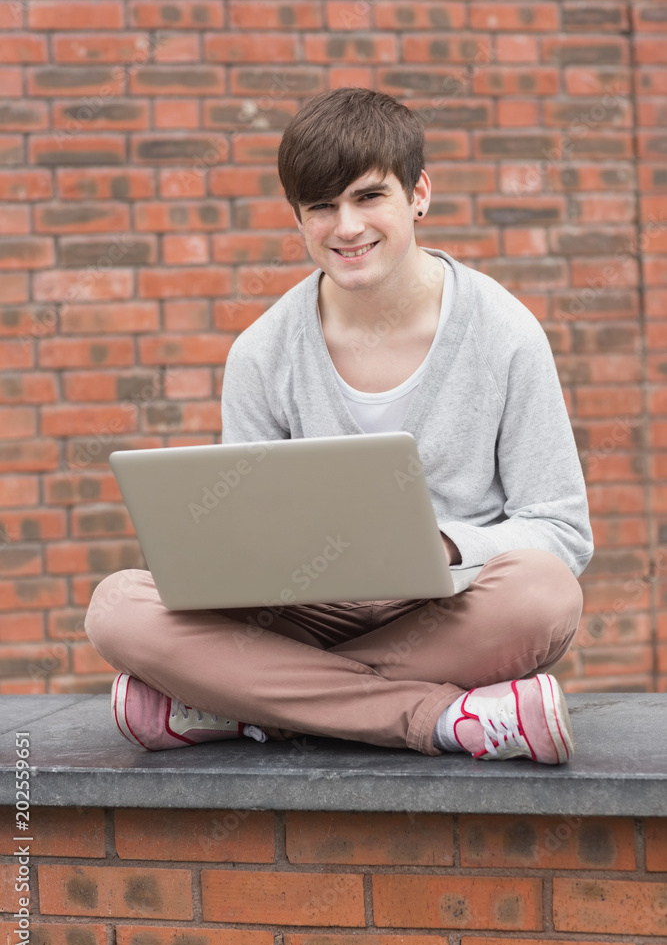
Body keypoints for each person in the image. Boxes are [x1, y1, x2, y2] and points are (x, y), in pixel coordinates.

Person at [86, 88, 593, 763]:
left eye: (367, 197)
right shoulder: (262, 353)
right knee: (117, 606)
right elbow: (241, 546)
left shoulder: (504, 334)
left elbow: (560, 529)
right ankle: (441, 718)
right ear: (298, 220)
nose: (346, 227)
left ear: (417, 194)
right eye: (321, 207)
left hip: (450, 609)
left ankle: (235, 705)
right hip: (305, 614)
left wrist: (443, 544)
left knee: (544, 592)